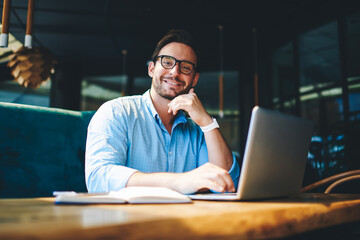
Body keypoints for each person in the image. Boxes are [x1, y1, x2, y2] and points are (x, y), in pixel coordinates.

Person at [85, 29, 240, 194]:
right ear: (151, 69)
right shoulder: (116, 112)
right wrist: (179, 182)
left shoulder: (198, 130)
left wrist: (208, 123)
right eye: (167, 62)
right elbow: (98, 178)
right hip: (130, 217)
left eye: (186, 67)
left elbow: (227, 186)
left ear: (194, 79)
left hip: (187, 218)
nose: (175, 72)